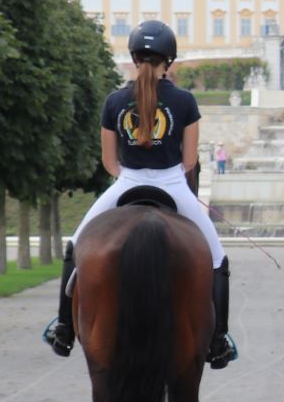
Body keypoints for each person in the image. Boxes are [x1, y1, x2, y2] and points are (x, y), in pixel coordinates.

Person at [44, 21, 237, 367]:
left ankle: (63, 329)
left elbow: (108, 161)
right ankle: (219, 340)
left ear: (134, 58)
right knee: (217, 258)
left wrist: (130, 176)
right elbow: (190, 160)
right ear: (170, 60)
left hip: (126, 183)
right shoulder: (185, 101)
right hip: (174, 185)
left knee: (75, 246)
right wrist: (169, 179)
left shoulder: (114, 101)